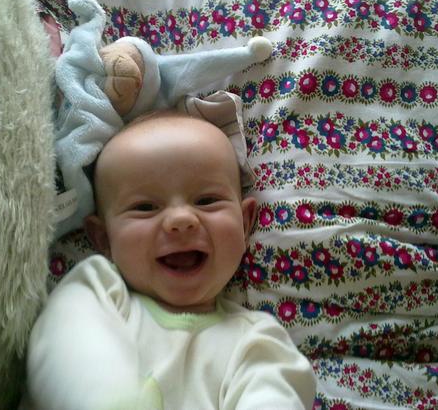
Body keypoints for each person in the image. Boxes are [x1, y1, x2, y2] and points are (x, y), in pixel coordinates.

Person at [24, 113, 316, 410]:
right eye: (145, 207)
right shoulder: (97, 291)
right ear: (104, 239)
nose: (181, 219)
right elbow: (65, 341)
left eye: (206, 201)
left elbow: (275, 396)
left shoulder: (256, 343)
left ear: (244, 224)